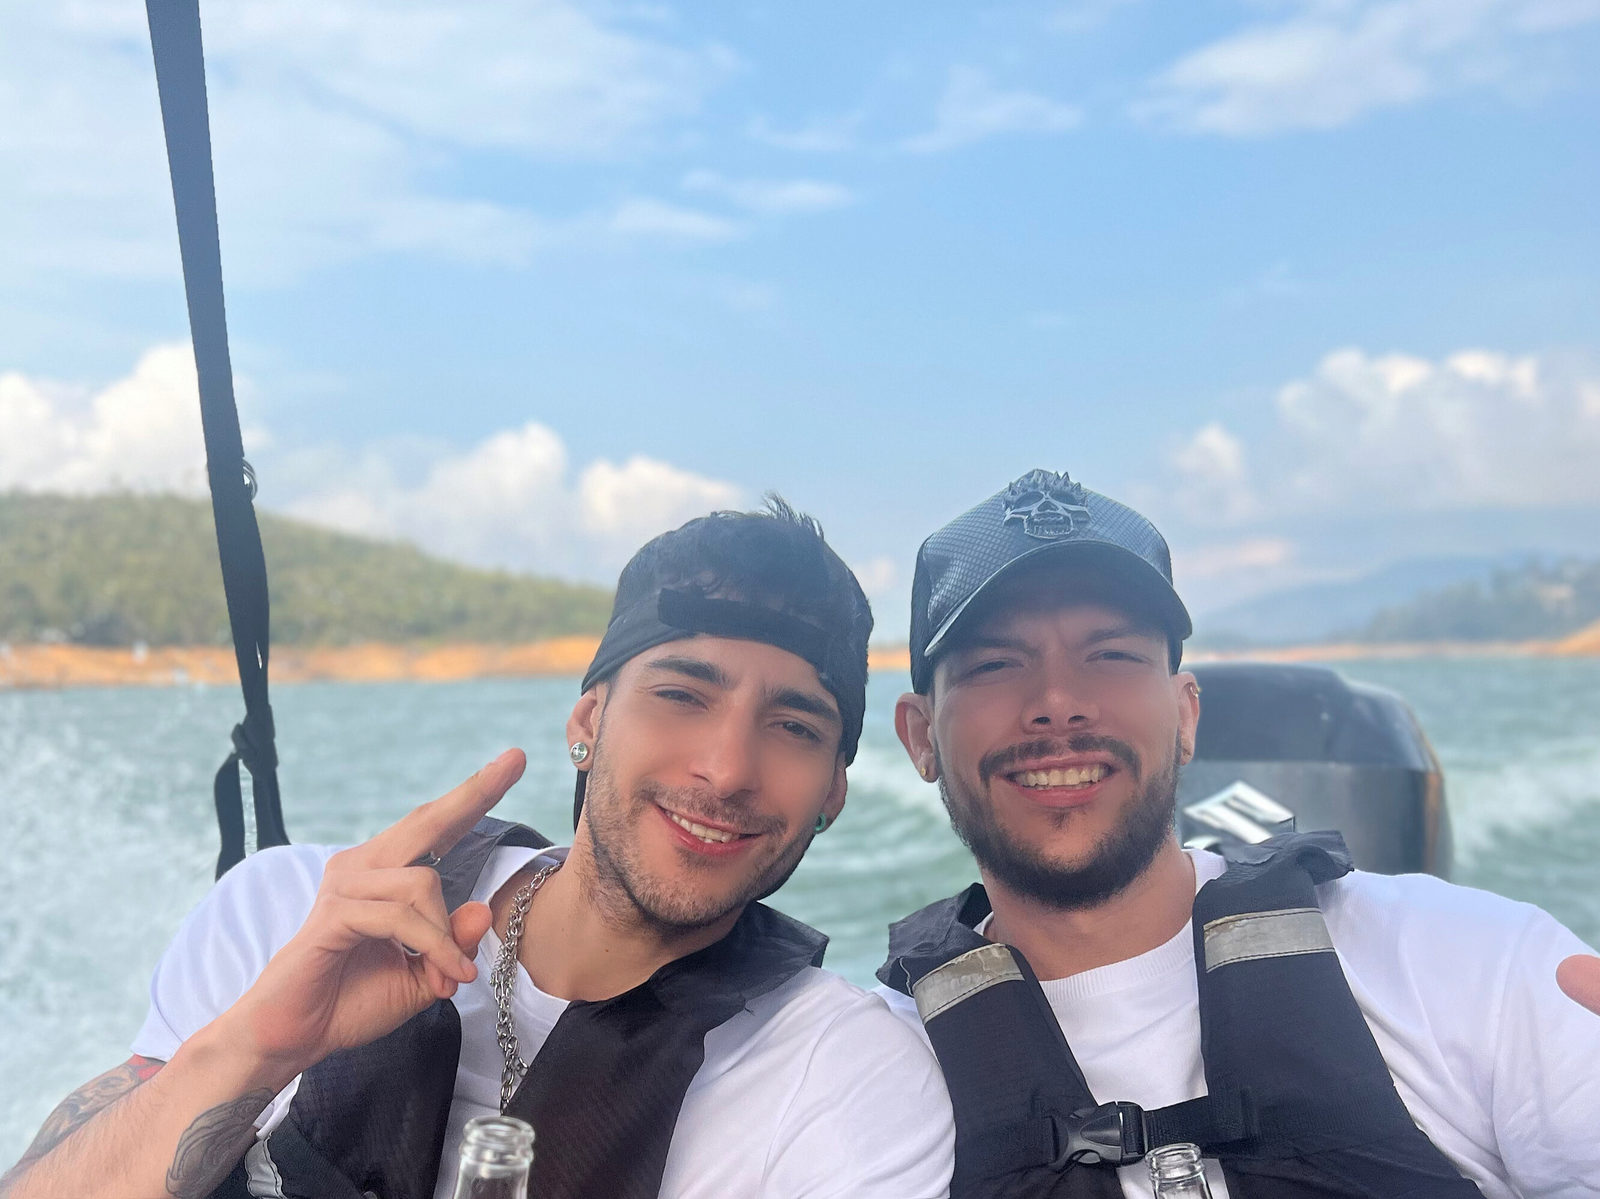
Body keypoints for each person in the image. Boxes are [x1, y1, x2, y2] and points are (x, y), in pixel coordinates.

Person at [3, 500, 955, 1199]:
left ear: (834, 791)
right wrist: (255, 1050)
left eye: (793, 726)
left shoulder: (846, 1079)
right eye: (681, 694)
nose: (726, 767)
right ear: (588, 722)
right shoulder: (285, 911)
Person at [875, 468, 1600, 1199]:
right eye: (995, 664)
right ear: (920, 736)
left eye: (1113, 655)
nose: (1058, 703)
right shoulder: (863, 1080)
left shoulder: (1474, 968)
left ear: (1186, 715)